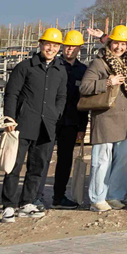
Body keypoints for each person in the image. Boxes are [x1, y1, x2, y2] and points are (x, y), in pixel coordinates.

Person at [80, 25, 127, 212]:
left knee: (125, 160)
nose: (119, 48)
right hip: (106, 118)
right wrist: (107, 82)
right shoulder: (99, 62)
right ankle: (97, 198)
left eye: (123, 44)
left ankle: (115, 195)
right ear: (110, 43)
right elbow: (84, 87)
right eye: (116, 44)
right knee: (102, 161)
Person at [0, 28, 67, 222]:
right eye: (48, 44)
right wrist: (9, 118)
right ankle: (8, 205)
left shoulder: (60, 71)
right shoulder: (25, 67)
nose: (51, 48)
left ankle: (27, 202)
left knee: (37, 166)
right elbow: (11, 94)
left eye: (55, 46)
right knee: (14, 165)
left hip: (47, 126)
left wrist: (56, 114)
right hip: (22, 124)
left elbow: (62, 96)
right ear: (41, 45)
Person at [52, 30, 88, 208]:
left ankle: (58, 197)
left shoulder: (83, 71)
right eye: (67, 46)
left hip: (71, 122)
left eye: (74, 46)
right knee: (41, 159)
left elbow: (85, 101)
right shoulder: (53, 66)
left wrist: (82, 127)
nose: (70, 49)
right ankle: (32, 197)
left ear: (79, 48)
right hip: (50, 121)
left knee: (65, 161)